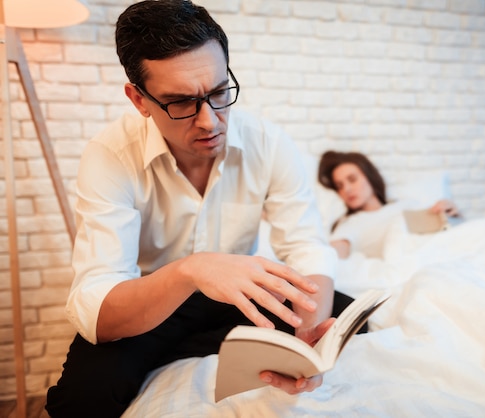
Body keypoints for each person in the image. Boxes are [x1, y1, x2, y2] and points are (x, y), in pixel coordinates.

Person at [45, 1, 356, 416]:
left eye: (218, 93)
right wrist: (192, 269)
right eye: (180, 103)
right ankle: (191, 345)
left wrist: (308, 332)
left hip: (239, 296)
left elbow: (306, 245)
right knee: (80, 400)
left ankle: (199, 346)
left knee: (345, 316)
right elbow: (95, 305)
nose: (210, 121)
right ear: (139, 100)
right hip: (153, 305)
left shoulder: (269, 143)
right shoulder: (110, 155)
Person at [318, 151, 459, 259]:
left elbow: (443, 231)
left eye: (352, 179)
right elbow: (330, 255)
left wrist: (451, 214)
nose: (346, 189)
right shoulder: (349, 224)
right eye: (340, 186)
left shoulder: (406, 204)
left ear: (370, 176)